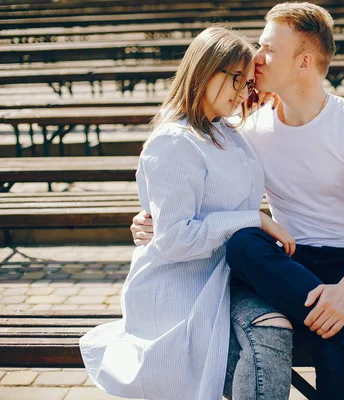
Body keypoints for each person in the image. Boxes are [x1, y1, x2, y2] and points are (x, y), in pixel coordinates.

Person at [131, 3, 344, 400]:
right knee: (244, 243)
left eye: (269, 49)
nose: (256, 57)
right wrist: (151, 217)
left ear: (304, 61)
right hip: (290, 262)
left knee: (334, 351)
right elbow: (191, 170)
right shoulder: (249, 128)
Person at [79, 26, 297, 400]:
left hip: (225, 278)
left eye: (248, 84)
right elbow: (175, 240)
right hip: (181, 290)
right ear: (205, 70)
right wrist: (255, 219)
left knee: (277, 326)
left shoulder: (226, 131)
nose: (244, 93)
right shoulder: (174, 142)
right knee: (266, 335)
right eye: (237, 81)